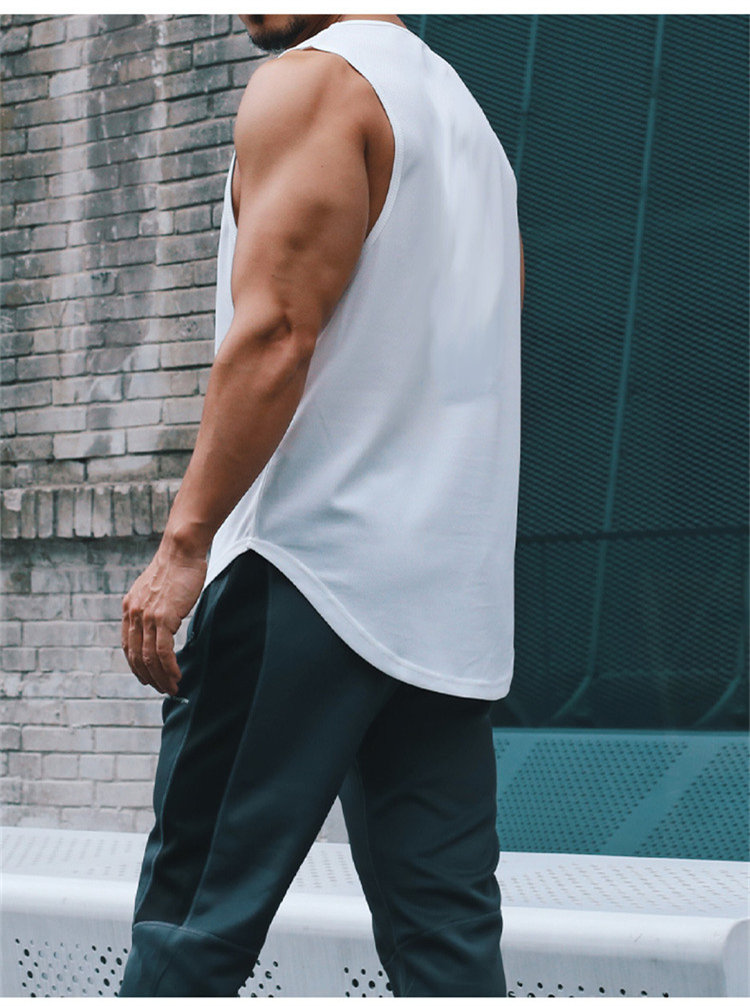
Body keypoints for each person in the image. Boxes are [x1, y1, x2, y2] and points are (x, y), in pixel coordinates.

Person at [117, 13, 523, 997]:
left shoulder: (315, 83)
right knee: (447, 949)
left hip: (306, 576)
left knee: (189, 928)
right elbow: (473, 373)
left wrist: (184, 546)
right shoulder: (472, 132)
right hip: (443, 612)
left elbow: (276, 333)